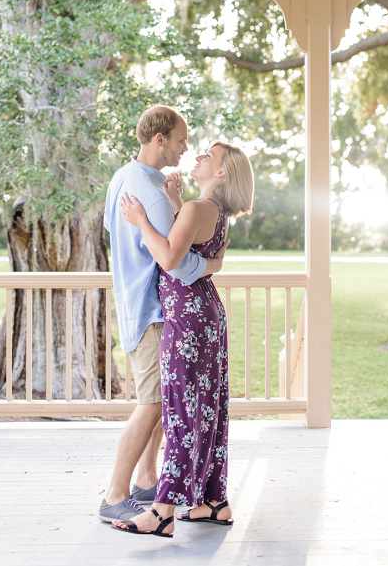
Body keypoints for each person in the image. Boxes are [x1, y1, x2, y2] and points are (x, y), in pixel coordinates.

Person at [113, 140, 254, 538]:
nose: (200, 157)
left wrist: (141, 220)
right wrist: (175, 200)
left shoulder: (197, 209)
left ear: (222, 172)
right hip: (206, 315)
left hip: (187, 320)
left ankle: (161, 513)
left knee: (181, 413)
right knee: (205, 409)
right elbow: (193, 246)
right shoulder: (214, 212)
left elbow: (170, 258)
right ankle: (214, 502)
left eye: (209, 156)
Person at [97, 105, 226, 524]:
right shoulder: (150, 192)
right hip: (154, 309)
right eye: (182, 139)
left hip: (135, 302)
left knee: (161, 400)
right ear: (160, 140)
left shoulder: (125, 178)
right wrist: (213, 265)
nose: (186, 148)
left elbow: (115, 232)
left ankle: (146, 480)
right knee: (153, 402)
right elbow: (178, 261)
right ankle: (115, 492)